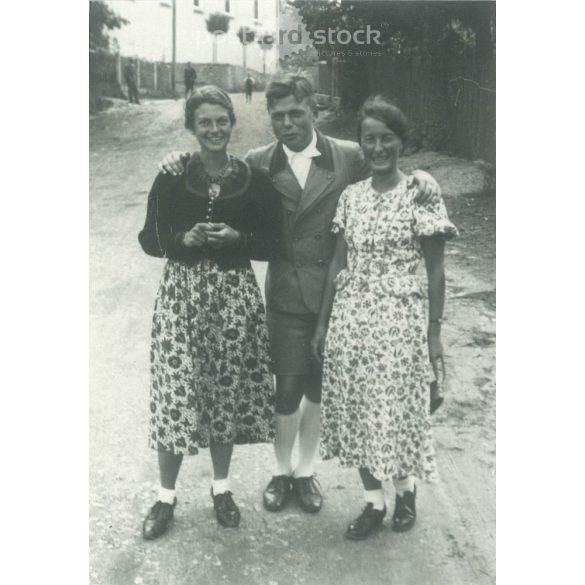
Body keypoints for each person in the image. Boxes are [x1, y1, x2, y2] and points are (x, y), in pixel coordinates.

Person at [157, 76, 440, 517]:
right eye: (278, 116)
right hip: (287, 293)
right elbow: (214, 164)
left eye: (296, 113)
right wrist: (179, 158)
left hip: (338, 298)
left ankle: (305, 472)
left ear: (314, 111)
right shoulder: (257, 161)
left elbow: (389, 171)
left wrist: (423, 175)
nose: (287, 123)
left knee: (318, 387)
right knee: (286, 387)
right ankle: (281, 471)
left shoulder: (346, 155)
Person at [310, 95, 458, 540]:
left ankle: (406, 490)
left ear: (401, 142)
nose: (378, 148)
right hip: (351, 320)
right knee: (356, 410)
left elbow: (435, 270)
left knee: (395, 410)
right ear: (361, 144)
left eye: (386, 139)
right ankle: (373, 502)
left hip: (399, 322)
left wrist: (434, 333)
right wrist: (322, 324)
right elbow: (338, 265)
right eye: (369, 139)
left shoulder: (420, 194)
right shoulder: (351, 198)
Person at [138, 85, 281, 539]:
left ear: (232, 124)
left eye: (222, 121)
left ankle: (221, 489)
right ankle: (165, 498)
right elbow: (150, 239)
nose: (215, 129)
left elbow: (273, 242)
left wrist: (238, 240)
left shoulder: (253, 178)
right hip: (182, 300)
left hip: (233, 300)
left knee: (224, 392)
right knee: (175, 396)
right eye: (205, 122)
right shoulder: (172, 175)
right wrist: (183, 240)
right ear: (191, 128)